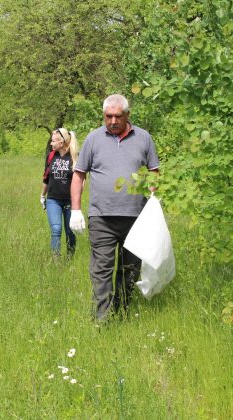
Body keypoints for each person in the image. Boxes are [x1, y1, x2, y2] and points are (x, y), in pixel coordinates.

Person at [69, 94, 159, 321]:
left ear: (127, 115)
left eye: (118, 116)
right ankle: (102, 318)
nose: (112, 121)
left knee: (130, 270)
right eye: (108, 116)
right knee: (101, 270)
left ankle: (123, 312)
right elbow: (79, 175)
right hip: (102, 217)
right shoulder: (93, 139)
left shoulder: (144, 138)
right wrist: (76, 210)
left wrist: (154, 200)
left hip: (136, 218)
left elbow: (154, 173)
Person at [40, 128, 79, 257]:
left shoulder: (74, 157)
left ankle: (70, 259)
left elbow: (80, 181)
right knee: (56, 229)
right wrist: (42, 195)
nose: (51, 144)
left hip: (70, 201)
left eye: (53, 141)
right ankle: (56, 260)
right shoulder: (51, 156)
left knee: (70, 231)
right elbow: (46, 177)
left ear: (62, 142)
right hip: (53, 200)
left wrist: (77, 202)